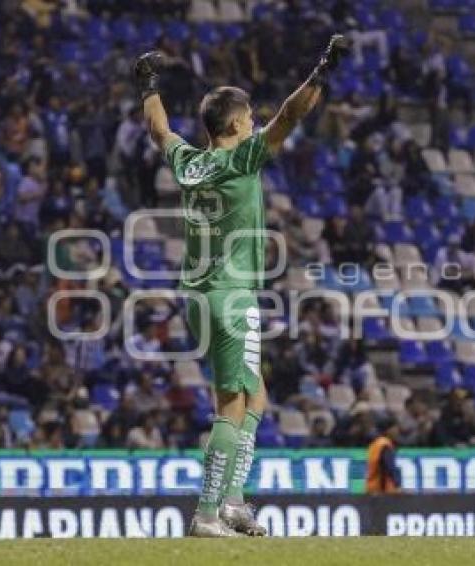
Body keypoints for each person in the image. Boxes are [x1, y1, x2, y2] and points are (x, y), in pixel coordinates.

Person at [134, 35, 350, 537]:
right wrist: (321, 71)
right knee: (231, 405)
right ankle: (208, 513)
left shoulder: (189, 161)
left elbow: (156, 127)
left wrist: (147, 83)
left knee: (255, 397)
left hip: (196, 294)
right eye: (249, 114)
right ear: (233, 123)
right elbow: (291, 116)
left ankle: (232, 501)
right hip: (232, 296)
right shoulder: (242, 158)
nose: (254, 119)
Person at [366, 417, 402, 494]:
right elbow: (390, 467)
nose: (397, 431)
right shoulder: (385, 445)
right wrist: (397, 485)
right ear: (388, 430)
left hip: (372, 489)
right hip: (382, 491)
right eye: (395, 428)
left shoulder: (375, 444)